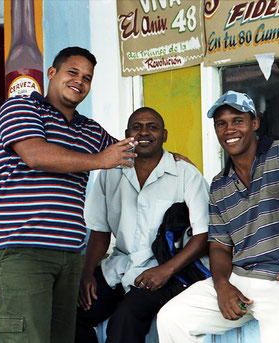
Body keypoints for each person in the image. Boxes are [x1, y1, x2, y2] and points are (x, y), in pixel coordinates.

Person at [156, 91, 279, 343]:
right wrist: (222, 286)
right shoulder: (219, 184)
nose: (229, 129)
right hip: (240, 281)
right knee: (171, 318)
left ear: (254, 123)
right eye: (221, 123)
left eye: (237, 120)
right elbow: (219, 246)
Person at [0, 47, 139, 343]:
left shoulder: (90, 130)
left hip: (69, 255)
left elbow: (129, 153)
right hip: (22, 249)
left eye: (87, 77)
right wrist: (99, 161)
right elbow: (35, 154)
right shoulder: (20, 108)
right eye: (73, 72)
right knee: (26, 339)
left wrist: (173, 158)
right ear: (52, 73)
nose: (79, 81)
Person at [74, 107, 210, 342]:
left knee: (125, 320)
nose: (144, 132)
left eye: (152, 127)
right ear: (128, 133)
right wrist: (87, 273)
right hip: (118, 267)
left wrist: (165, 270)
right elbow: (99, 231)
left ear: (164, 135)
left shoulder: (185, 173)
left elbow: (203, 235)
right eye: (137, 127)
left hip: (167, 270)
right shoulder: (111, 171)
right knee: (72, 314)